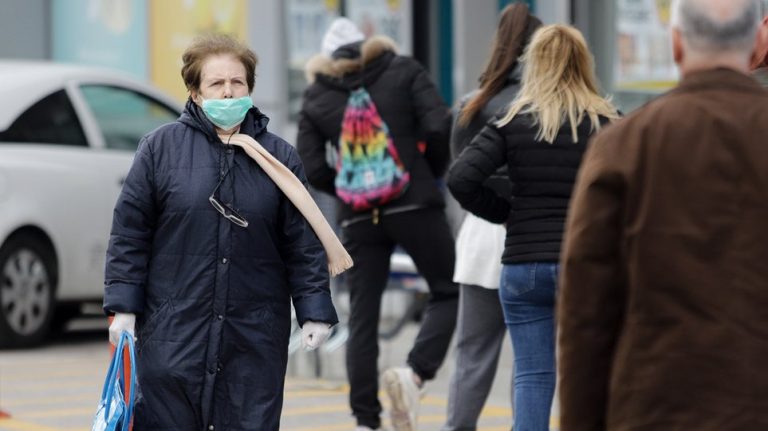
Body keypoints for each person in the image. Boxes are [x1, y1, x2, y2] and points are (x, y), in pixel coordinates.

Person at [103, 33, 349, 430]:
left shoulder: (279, 157)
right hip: (172, 334)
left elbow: (301, 242)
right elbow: (130, 234)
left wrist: (314, 309)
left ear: (250, 87)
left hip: (254, 337)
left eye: (238, 83)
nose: (229, 92)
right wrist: (123, 307)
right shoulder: (159, 149)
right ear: (195, 92)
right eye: (216, 83)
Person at [557, 0, 768, 429]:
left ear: (675, 44)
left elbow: (586, 313)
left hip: (655, 406)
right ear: (759, 41)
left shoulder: (625, 145)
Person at [448, 25, 619, 431]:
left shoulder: (512, 121)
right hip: (586, 266)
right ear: (583, 64)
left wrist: (506, 213)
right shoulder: (606, 122)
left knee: (533, 375)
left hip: (524, 265)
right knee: (593, 372)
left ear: (535, 66)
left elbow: (461, 179)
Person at [297, 17, 457, 431]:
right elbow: (440, 123)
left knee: (363, 317)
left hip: (358, 219)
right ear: (367, 45)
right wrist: (424, 173)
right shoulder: (403, 70)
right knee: (447, 290)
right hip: (415, 205)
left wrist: (350, 189)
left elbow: (311, 166)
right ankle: (416, 371)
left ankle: (366, 419)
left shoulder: (317, 96)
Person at [442, 4, 541, 431]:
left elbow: (459, 170)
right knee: (532, 360)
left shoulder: (471, 103)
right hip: (535, 233)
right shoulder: (546, 106)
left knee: (473, 353)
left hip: (482, 236)